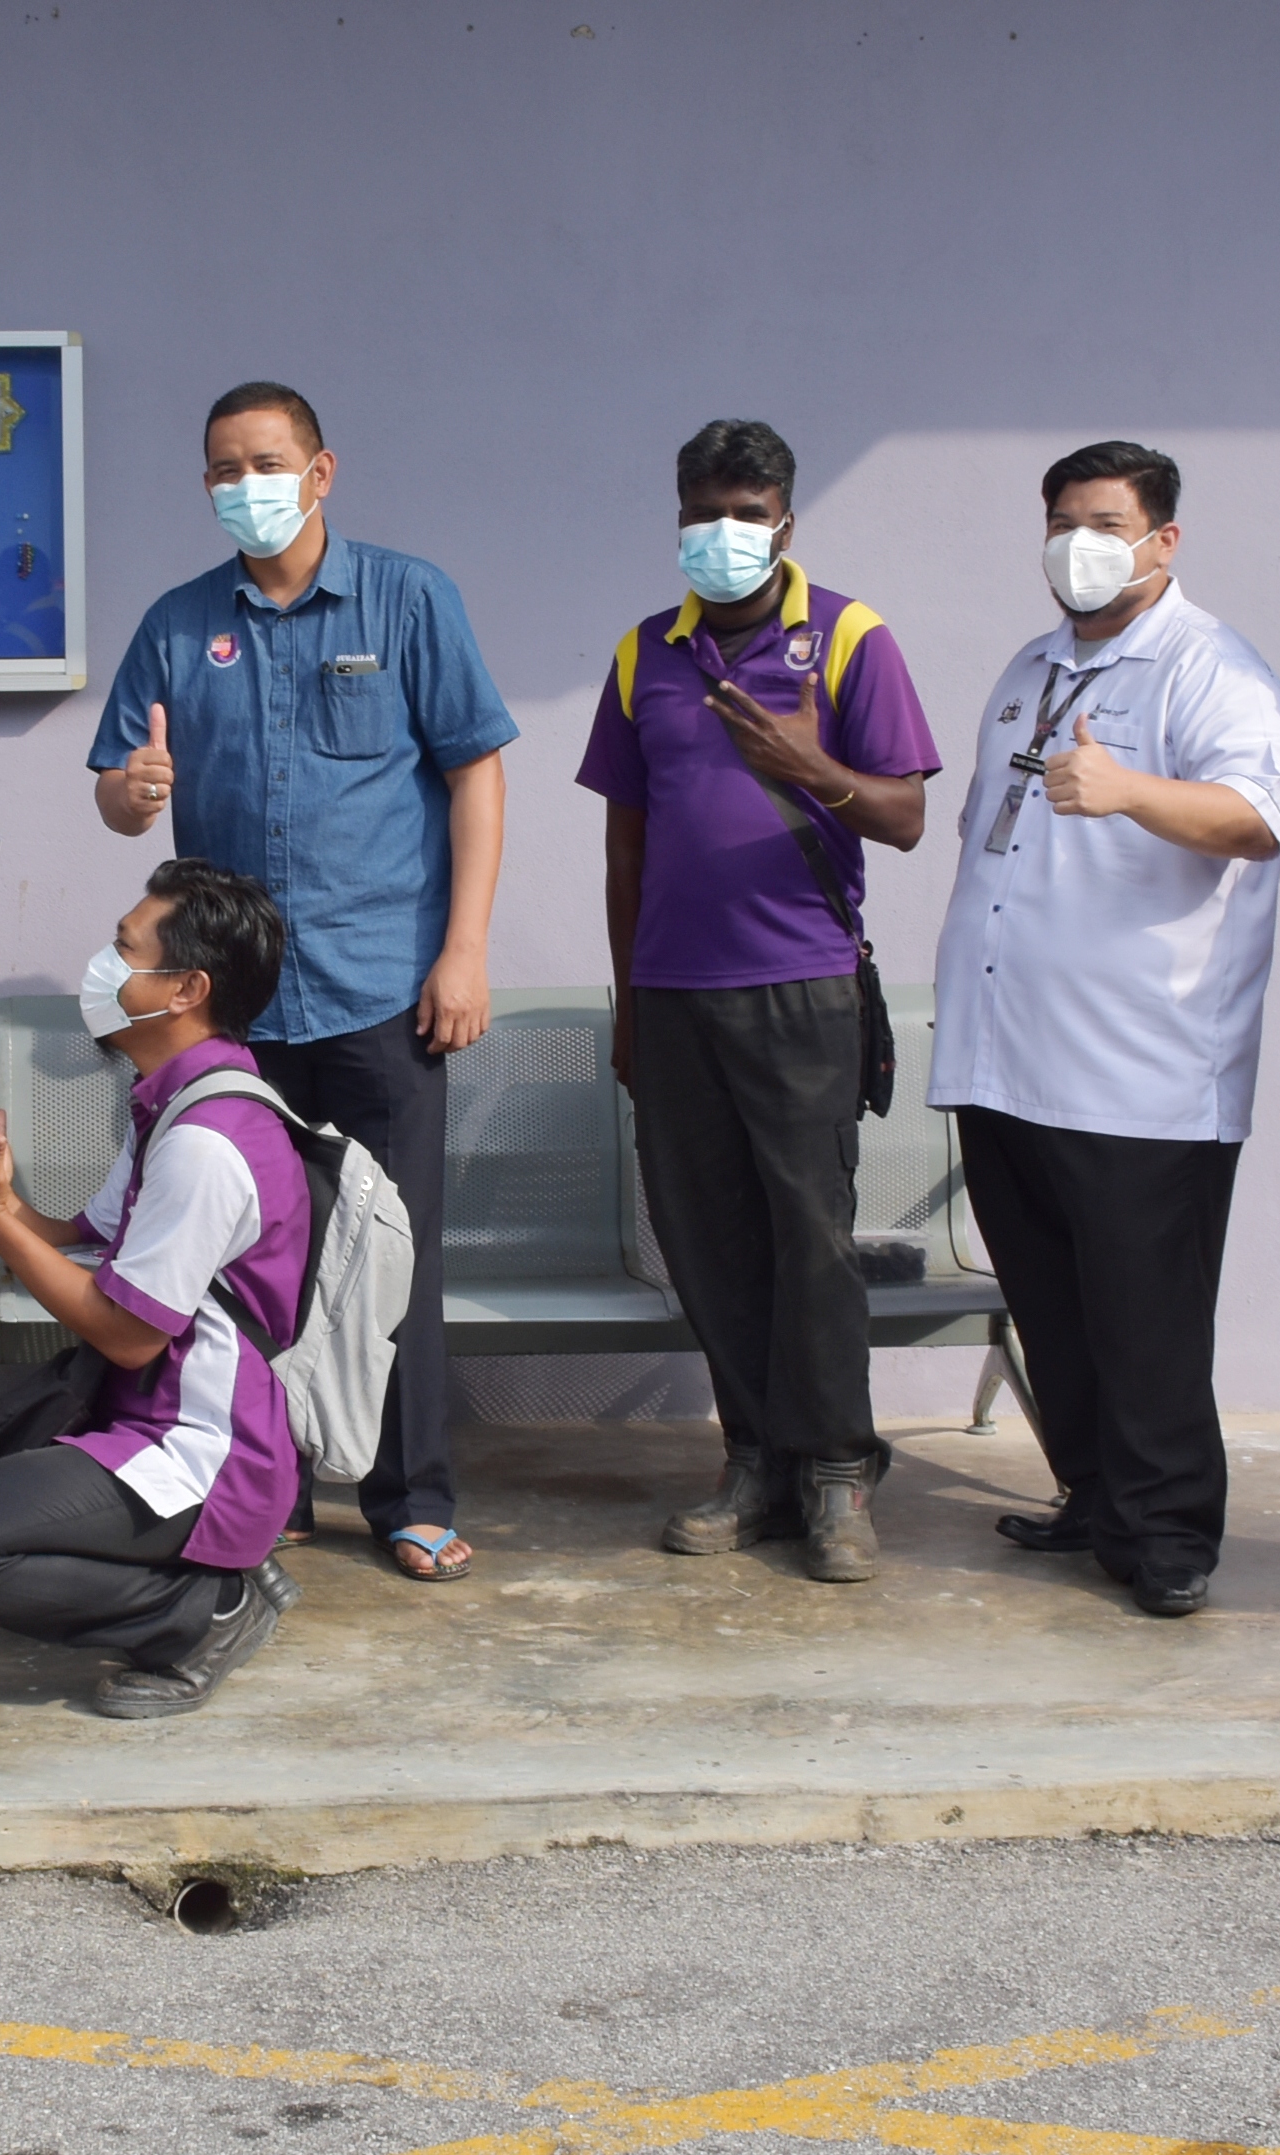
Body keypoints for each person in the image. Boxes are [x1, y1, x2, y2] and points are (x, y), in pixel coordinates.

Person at [88, 381, 515, 1584]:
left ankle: (407, 1491)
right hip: (233, 1016)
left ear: (320, 472)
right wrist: (130, 794)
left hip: (380, 987)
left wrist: (464, 949)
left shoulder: (407, 598)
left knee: (390, 1252)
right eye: (224, 470)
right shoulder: (178, 625)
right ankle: (263, 1486)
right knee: (244, 1257)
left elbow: (475, 775)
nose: (246, 487)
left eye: (266, 463)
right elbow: (117, 789)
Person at [928, 441, 1280, 1618]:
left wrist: (1129, 790)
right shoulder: (1030, 665)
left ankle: (1169, 1531)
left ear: (1162, 540)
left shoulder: (1210, 668)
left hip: (1138, 1069)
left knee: (1146, 1322)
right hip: (1007, 1058)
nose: (1076, 546)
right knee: (1054, 1306)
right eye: (1060, 523)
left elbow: (1254, 815)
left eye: (1103, 524)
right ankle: (1093, 1495)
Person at [579, 421, 940, 1583]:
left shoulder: (848, 636)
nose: (721, 531)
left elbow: (904, 816)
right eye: (702, 510)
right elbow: (624, 850)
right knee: (706, 1238)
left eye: (745, 511)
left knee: (810, 1241)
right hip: (674, 996)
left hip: (801, 990)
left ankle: (835, 1470)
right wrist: (629, 1002)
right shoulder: (643, 653)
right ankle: (754, 1463)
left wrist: (810, 769)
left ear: (784, 517)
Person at [0, 861, 307, 1718]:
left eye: (125, 948)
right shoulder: (175, 1099)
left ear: (186, 988)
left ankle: (201, 1611)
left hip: (201, 1447)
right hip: (136, 1412)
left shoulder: (209, 1141)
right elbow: (72, 1236)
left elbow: (127, 1334)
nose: (103, 966)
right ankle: (197, 1573)